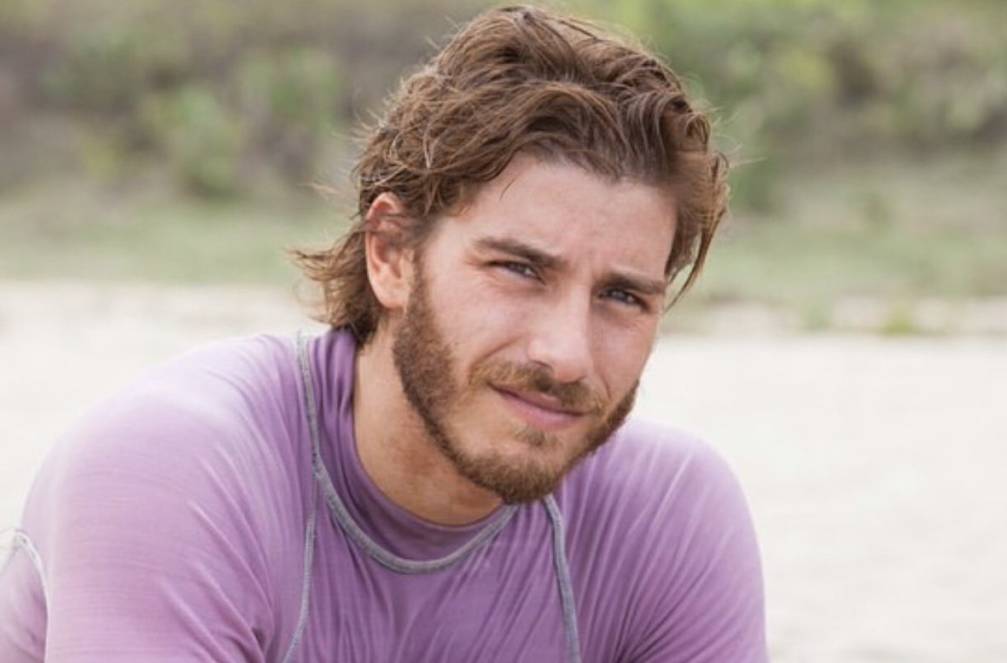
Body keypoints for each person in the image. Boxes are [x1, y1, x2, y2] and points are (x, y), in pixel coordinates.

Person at [0, 6, 766, 661]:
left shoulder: (667, 519)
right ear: (392, 253)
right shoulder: (178, 473)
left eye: (622, 296)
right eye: (519, 269)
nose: (566, 354)